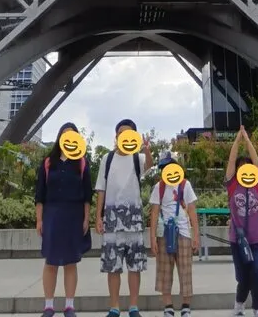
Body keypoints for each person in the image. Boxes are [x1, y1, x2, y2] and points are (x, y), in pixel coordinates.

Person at [95, 119, 153, 317]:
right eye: (121, 133)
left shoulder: (138, 158)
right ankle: (114, 307)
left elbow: (150, 167)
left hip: (134, 221)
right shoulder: (107, 158)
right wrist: (98, 216)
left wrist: (146, 149)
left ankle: (134, 307)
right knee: (113, 266)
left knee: (134, 266)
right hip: (111, 220)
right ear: (116, 136)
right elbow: (100, 189)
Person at [35, 122, 92, 317]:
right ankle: (49, 306)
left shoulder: (82, 163)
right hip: (52, 214)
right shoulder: (48, 163)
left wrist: (86, 219)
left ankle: (69, 305)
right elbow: (39, 194)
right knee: (50, 261)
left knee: (70, 262)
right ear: (59, 138)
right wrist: (39, 219)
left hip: (74, 215)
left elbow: (87, 195)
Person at [225, 126, 258, 317]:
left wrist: (248, 140)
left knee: (257, 274)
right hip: (239, 240)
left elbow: (257, 161)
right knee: (243, 278)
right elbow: (231, 159)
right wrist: (237, 140)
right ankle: (239, 303)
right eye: (242, 167)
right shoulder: (232, 185)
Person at [149, 152, 200, 317]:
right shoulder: (159, 187)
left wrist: (196, 236)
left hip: (184, 233)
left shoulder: (185, 185)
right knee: (165, 271)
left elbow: (192, 211)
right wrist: (152, 239)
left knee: (185, 270)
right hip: (164, 233)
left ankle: (186, 305)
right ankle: (168, 306)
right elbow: (154, 213)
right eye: (163, 168)